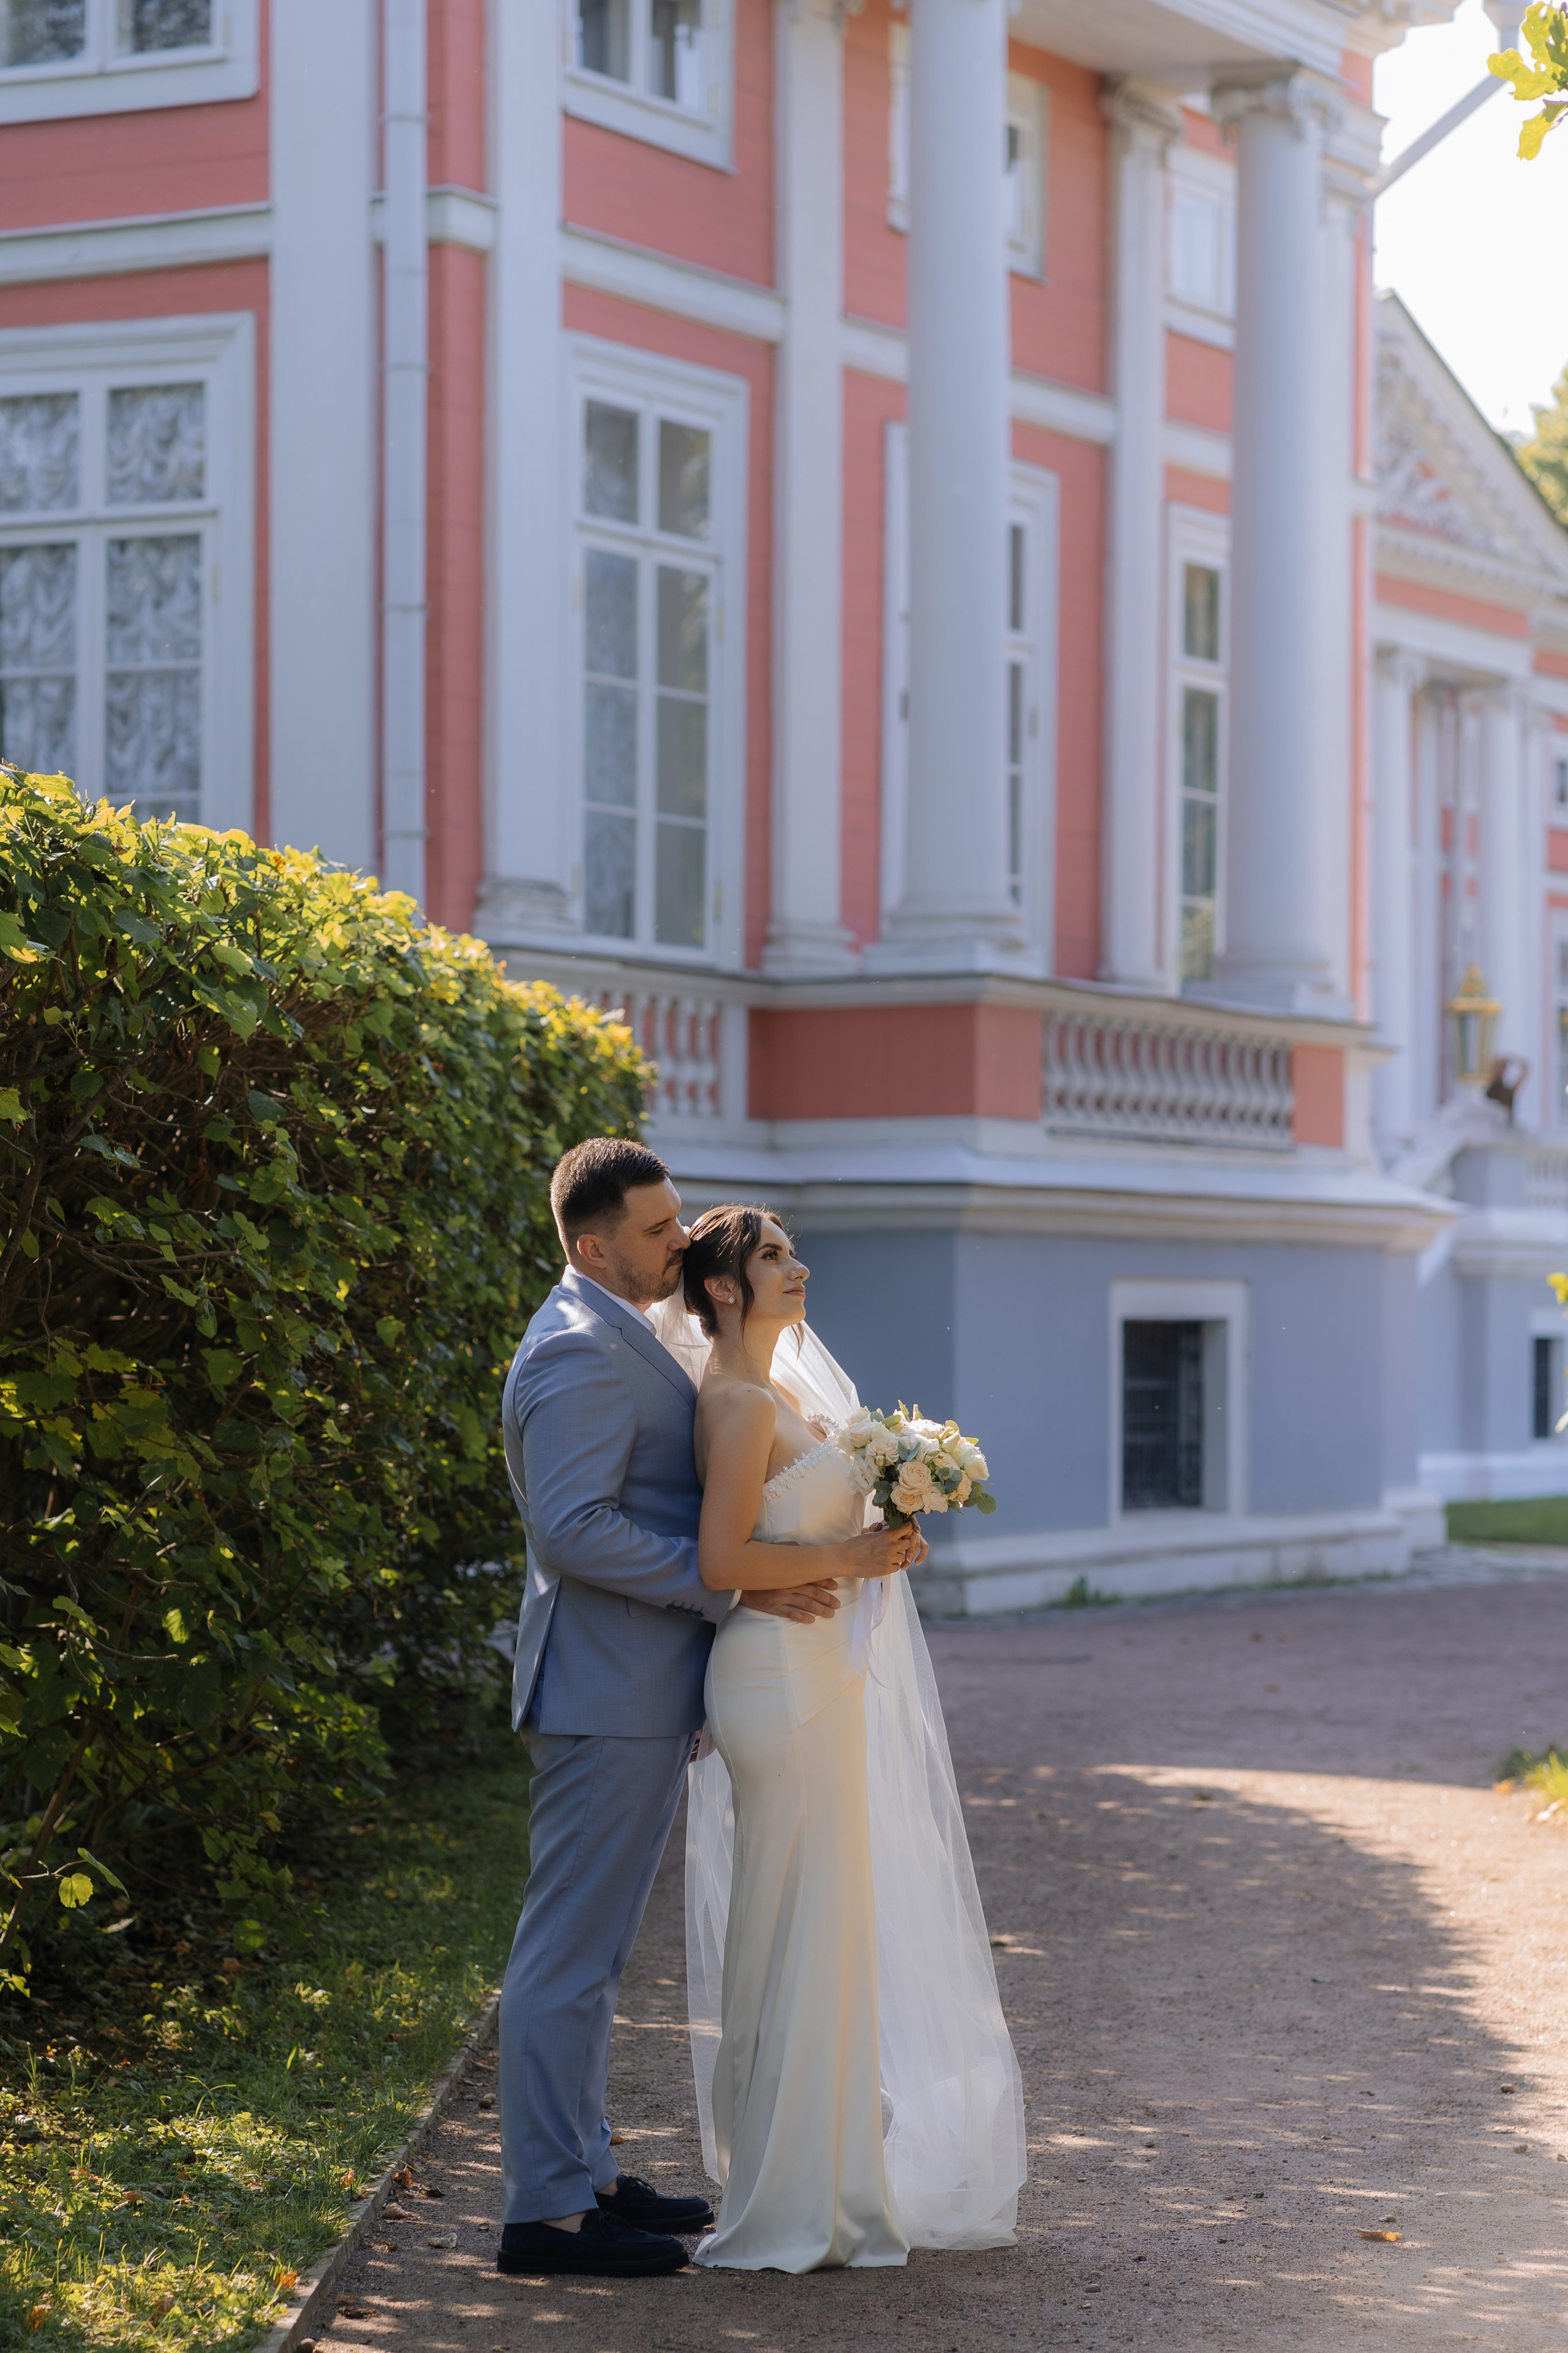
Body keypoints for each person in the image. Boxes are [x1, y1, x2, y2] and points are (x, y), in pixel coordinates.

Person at [492, 1138, 887, 2281]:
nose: (680, 1242)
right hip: (603, 1688)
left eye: (676, 1223)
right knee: (567, 1954)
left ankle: (589, 2173)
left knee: (599, 1954)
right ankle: (548, 2215)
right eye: (660, 1230)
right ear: (592, 1243)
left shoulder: (624, 1329)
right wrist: (728, 1578)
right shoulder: (574, 1348)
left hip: (639, 1682)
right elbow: (574, 1529)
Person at [661, 1204, 1027, 2273]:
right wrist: (850, 1565)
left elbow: (799, 1537)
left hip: (816, 1668)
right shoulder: (732, 1403)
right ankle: (787, 2193)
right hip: (774, 1682)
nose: (798, 1266)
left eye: (789, 1251)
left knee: (821, 1920)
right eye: (773, 1255)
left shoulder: (782, 1394)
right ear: (723, 1285)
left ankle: (823, 2180)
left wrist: (876, 1540)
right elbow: (723, 1560)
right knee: (795, 1922)